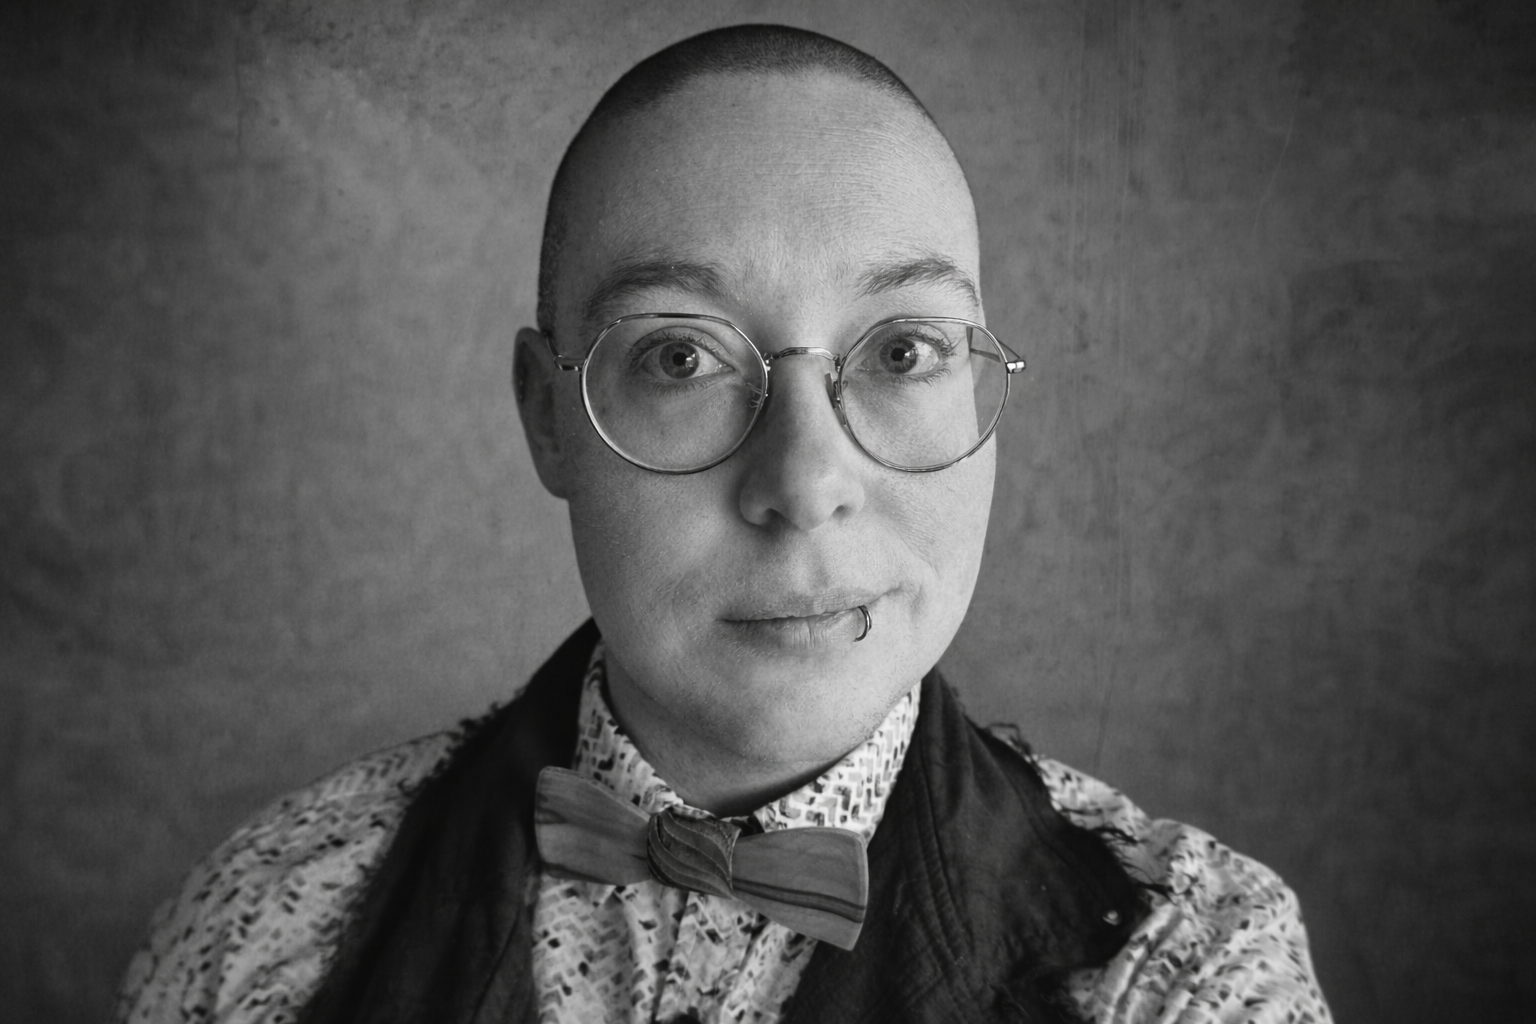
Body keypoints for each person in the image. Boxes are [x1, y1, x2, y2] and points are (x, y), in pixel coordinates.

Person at [116, 24, 1331, 1024]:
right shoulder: (266, 930)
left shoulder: (1191, 967)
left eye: (902, 350)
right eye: (680, 357)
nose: (803, 482)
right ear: (548, 418)